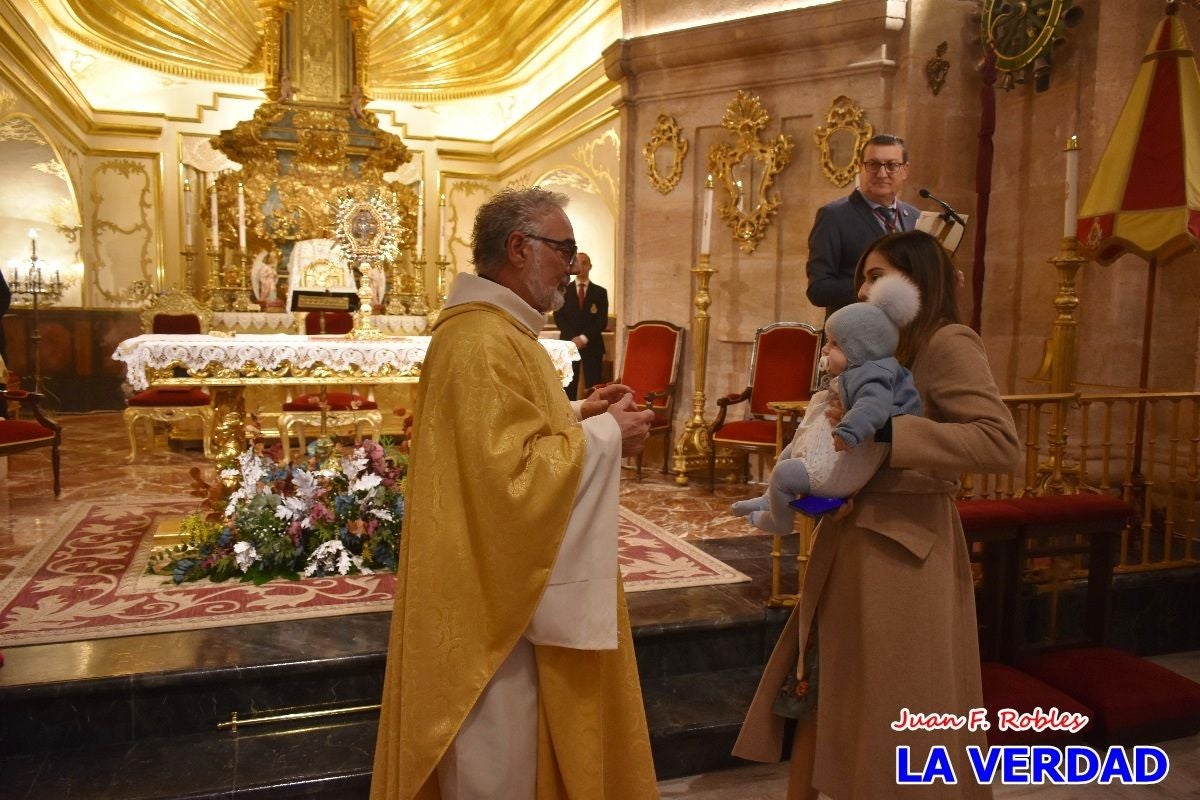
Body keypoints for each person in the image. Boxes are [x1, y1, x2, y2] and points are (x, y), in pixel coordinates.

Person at [370, 187, 660, 800]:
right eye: (563, 249)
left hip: (489, 583)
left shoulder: (495, 331)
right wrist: (609, 437)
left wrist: (581, 411)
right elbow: (508, 478)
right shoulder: (482, 340)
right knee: (496, 758)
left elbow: (501, 432)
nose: (572, 263)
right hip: (490, 609)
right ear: (519, 248)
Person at [733, 229, 1021, 800]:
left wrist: (887, 429)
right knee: (825, 692)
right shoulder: (881, 349)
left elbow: (999, 443)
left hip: (904, 556)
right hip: (854, 543)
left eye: (876, 276)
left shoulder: (945, 340)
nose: (862, 289)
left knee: (898, 709)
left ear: (916, 282)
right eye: (862, 276)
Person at [731, 273, 922, 534]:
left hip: (840, 462)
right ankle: (769, 500)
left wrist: (850, 430)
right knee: (787, 454)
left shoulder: (873, 375)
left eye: (835, 344)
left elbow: (872, 406)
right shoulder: (857, 372)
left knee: (785, 473)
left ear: (860, 349)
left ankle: (780, 521)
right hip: (830, 453)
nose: (824, 349)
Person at [805, 133, 919, 316]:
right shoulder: (833, 216)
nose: (882, 173)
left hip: (906, 335)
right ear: (860, 167)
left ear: (905, 170)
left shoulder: (914, 216)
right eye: (873, 164)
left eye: (892, 165)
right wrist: (877, 287)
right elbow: (818, 289)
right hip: (853, 334)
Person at [553, 251, 608, 400]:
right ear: (572, 266)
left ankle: (595, 420)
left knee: (594, 388)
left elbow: (601, 321)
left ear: (590, 266)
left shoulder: (600, 292)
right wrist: (574, 338)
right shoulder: (562, 290)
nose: (581, 266)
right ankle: (569, 421)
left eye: (585, 263)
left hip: (592, 344)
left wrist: (583, 338)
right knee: (568, 386)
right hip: (568, 344)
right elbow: (559, 317)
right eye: (578, 263)